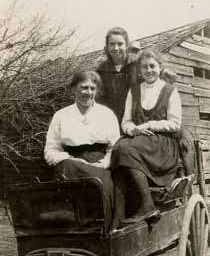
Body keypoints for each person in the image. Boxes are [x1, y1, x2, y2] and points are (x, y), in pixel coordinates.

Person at [111, 48, 182, 228]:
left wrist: (149, 125)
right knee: (118, 150)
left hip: (162, 144)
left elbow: (175, 124)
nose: (149, 70)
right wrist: (133, 129)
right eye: (145, 67)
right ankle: (118, 217)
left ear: (160, 67)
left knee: (125, 149)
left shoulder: (170, 91)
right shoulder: (133, 91)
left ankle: (148, 205)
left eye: (152, 66)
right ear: (139, 70)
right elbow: (125, 122)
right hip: (139, 140)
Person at [44, 70, 120, 231]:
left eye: (93, 88)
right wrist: (70, 159)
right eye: (84, 88)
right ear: (74, 89)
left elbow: (114, 146)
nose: (88, 92)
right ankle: (72, 233)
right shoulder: (61, 116)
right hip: (70, 163)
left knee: (101, 184)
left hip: (99, 165)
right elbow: (50, 150)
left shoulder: (106, 114)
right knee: (67, 170)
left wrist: (105, 163)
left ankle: (102, 232)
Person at [97, 27, 139, 124]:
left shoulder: (137, 65)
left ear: (127, 46)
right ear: (107, 47)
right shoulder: (101, 70)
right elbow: (99, 100)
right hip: (110, 120)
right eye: (112, 44)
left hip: (135, 119)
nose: (116, 48)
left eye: (120, 44)